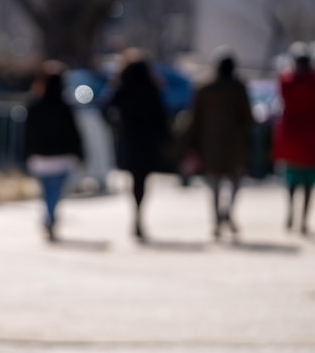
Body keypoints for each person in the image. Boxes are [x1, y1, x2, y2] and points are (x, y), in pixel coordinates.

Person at [185, 48, 253, 239]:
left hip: (211, 141)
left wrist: (191, 143)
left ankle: (216, 219)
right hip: (234, 142)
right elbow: (248, 117)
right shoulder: (238, 88)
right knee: (236, 181)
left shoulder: (204, 88)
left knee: (214, 183)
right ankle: (227, 212)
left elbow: (195, 118)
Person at [102, 49, 169, 240]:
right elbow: (161, 116)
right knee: (143, 179)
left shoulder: (123, 87)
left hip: (130, 138)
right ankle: (139, 214)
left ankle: (137, 214)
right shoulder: (151, 87)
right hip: (147, 139)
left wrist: (115, 124)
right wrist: (165, 139)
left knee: (135, 178)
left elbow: (104, 107)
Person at [272, 42, 315, 235]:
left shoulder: (287, 82)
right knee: (308, 182)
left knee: (291, 179)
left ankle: (292, 211)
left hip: (291, 137)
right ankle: (304, 220)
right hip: (311, 139)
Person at [23, 60, 84, 241]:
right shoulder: (65, 106)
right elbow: (74, 133)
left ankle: (49, 216)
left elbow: (27, 134)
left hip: (40, 158)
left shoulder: (34, 104)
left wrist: (26, 155)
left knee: (47, 191)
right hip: (60, 158)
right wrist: (80, 154)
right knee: (54, 192)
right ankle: (50, 217)